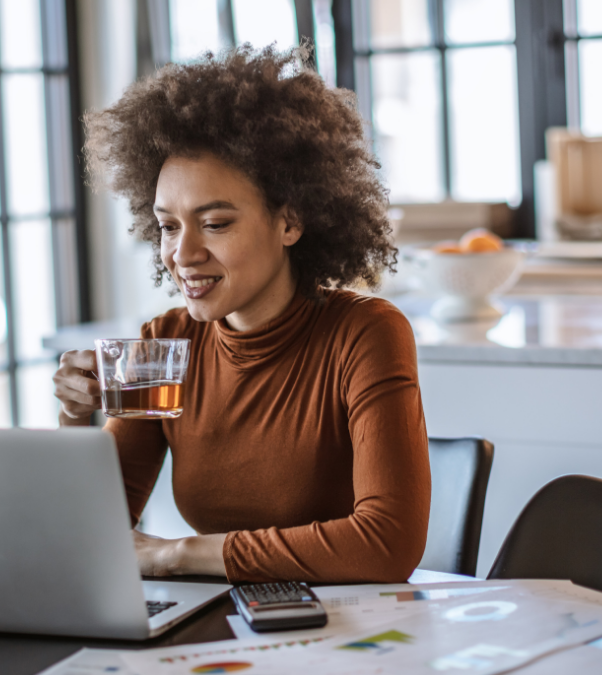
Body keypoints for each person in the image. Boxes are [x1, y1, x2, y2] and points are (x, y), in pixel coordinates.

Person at [53, 46, 430, 584]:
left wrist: (177, 553)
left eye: (215, 223)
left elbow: (386, 543)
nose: (182, 255)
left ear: (290, 222)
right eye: (168, 226)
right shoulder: (165, 343)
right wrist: (74, 420)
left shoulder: (366, 333)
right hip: (221, 631)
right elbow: (88, 534)